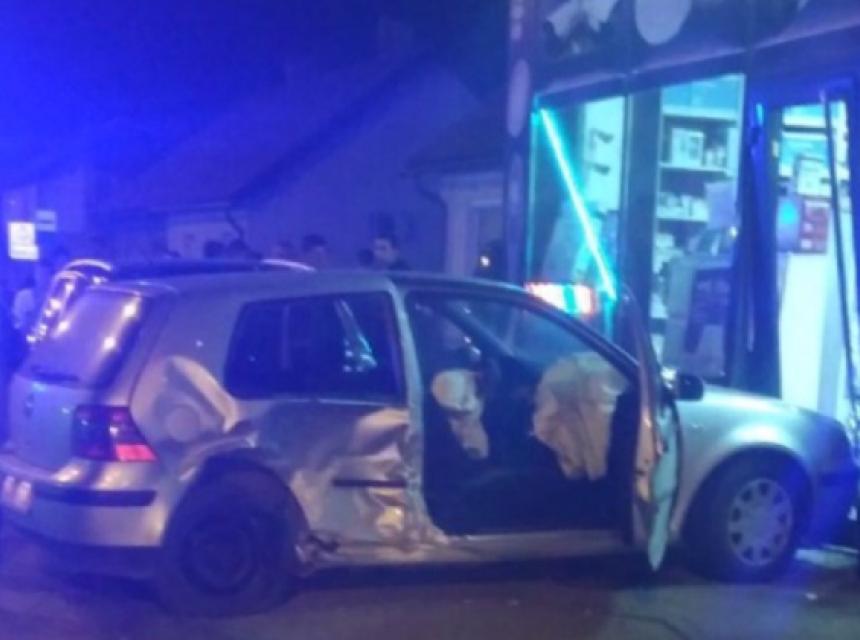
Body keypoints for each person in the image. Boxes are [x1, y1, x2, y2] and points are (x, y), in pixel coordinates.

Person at [12, 257, 53, 334]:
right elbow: (17, 324)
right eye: (41, 274)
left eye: (46, 274)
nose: (43, 278)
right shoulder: (22, 296)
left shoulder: (54, 298)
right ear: (35, 275)